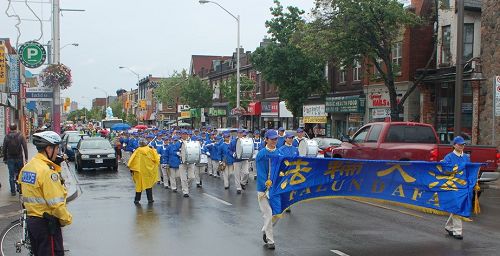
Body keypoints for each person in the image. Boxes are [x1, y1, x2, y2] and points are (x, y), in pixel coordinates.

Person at [18, 131, 72, 255]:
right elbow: (56, 203)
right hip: (47, 225)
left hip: (33, 223)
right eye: (57, 148)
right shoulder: (47, 172)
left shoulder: (27, 167)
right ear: (49, 148)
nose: (58, 152)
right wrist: (66, 219)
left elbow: (21, 188)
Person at [255, 129, 280, 250]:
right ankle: (270, 240)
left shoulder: (279, 153)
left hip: (276, 189)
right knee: (268, 214)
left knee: (277, 214)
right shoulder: (261, 154)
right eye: (272, 139)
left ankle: (265, 229)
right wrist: (266, 185)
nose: (274, 141)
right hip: (263, 189)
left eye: (276, 139)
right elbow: (260, 173)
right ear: (266, 140)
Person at [442, 136, 470, 240]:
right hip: (452, 185)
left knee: (458, 206)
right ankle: (457, 231)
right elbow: (445, 170)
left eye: (463, 144)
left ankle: (449, 226)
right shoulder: (449, 157)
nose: (462, 146)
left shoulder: (466, 157)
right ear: (454, 145)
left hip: (463, 185)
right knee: (458, 206)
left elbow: (469, 170)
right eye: (459, 144)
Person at [128, 138, 160, 204]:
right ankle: (150, 199)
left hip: (139, 171)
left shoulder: (137, 150)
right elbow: (156, 159)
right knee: (149, 185)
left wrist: (132, 169)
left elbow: (131, 160)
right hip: (148, 171)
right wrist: (153, 149)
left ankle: (137, 200)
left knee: (139, 186)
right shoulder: (150, 150)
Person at [2, 123, 29, 196]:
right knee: (20, 174)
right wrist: (26, 158)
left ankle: (13, 191)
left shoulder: (6, 137)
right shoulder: (20, 136)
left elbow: (4, 149)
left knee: (11, 175)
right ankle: (20, 189)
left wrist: (5, 158)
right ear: (16, 128)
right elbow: (25, 147)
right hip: (19, 158)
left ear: (10, 128)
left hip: (10, 158)